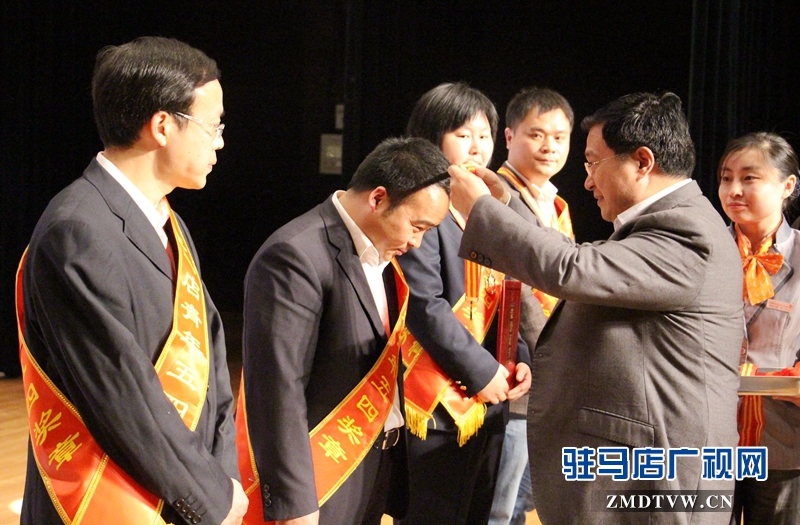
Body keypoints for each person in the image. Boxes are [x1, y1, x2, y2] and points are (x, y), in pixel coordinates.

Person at [449, 91, 743, 524]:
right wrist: (507, 206)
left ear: (642, 161)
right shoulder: (668, 222)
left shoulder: (687, 233)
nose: (587, 182)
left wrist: (481, 211)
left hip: (659, 480)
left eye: (593, 163)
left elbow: (573, 268)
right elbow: (583, 259)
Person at [17, 37, 247, 525]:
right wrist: (210, 498)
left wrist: (224, 477)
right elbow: (123, 398)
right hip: (108, 502)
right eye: (213, 126)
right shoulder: (77, 230)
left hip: (182, 493)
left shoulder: (169, 221)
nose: (220, 141)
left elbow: (212, 366)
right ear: (162, 126)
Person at [239, 137, 451, 525]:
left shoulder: (383, 252)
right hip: (320, 475)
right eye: (416, 226)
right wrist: (294, 502)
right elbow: (277, 389)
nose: (417, 242)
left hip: (373, 460)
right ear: (378, 198)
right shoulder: (295, 256)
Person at [398, 82, 531, 525]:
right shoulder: (421, 206)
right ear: (431, 139)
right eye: (463, 135)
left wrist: (519, 359)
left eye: (484, 135)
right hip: (436, 400)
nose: (477, 147)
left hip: (490, 398)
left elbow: (507, 294)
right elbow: (424, 305)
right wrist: (482, 372)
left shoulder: (488, 209)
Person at [488, 86, 575, 525]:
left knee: (520, 507)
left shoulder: (555, 203)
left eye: (559, 137)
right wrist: (549, 355)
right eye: (536, 134)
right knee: (499, 508)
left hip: (549, 374)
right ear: (509, 136)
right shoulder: (497, 195)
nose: (549, 147)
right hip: (515, 368)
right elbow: (514, 290)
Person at [717, 132, 800, 524]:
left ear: (787, 186)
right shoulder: (704, 251)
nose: (734, 190)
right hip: (711, 437)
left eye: (749, 178)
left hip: (785, 439)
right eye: (726, 178)